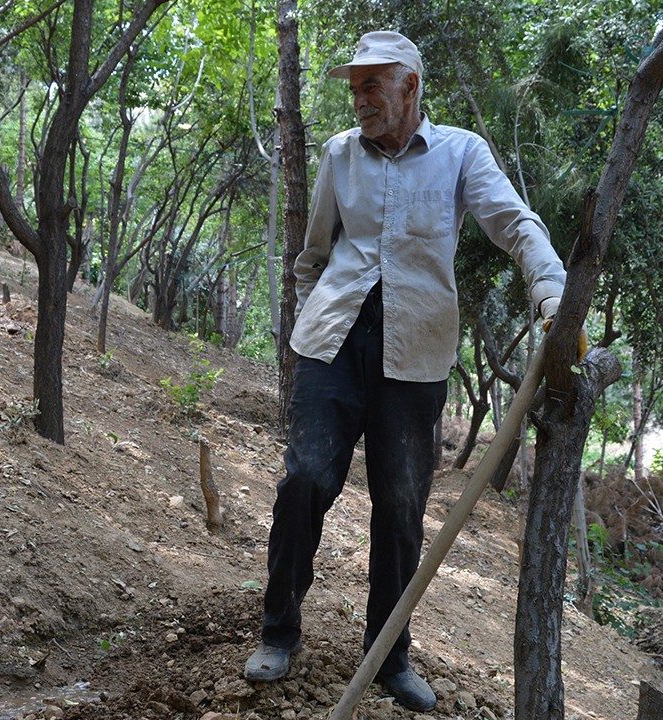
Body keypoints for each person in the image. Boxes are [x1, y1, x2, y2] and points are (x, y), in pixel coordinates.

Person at [244, 30, 574, 712]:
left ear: (411, 87)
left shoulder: (461, 154)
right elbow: (313, 255)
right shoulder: (339, 154)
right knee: (304, 480)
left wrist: (553, 296)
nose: (360, 98)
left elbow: (514, 224)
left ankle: (389, 658)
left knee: (399, 510)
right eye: (355, 87)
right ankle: (279, 633)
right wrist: (312, 319)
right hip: (333, 346)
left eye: (374, 85)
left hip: (416, 355)